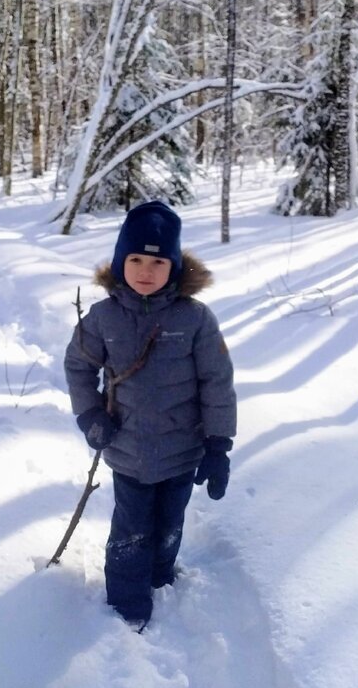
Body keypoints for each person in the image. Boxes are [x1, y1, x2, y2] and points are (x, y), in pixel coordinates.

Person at [63, 200, 237, 630]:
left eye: (158, 261)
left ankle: (160, 572)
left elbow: (217, 382)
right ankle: (127, 601)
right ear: (121, 261)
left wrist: (218, 445)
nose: (145, 270)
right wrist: (90, 416)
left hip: (183, 450)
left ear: (174, 267)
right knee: (131, 526)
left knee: (169, 521)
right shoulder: (103, 318)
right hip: (128, 449)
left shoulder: (194, 319)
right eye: (136, 259)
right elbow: (78, 367)